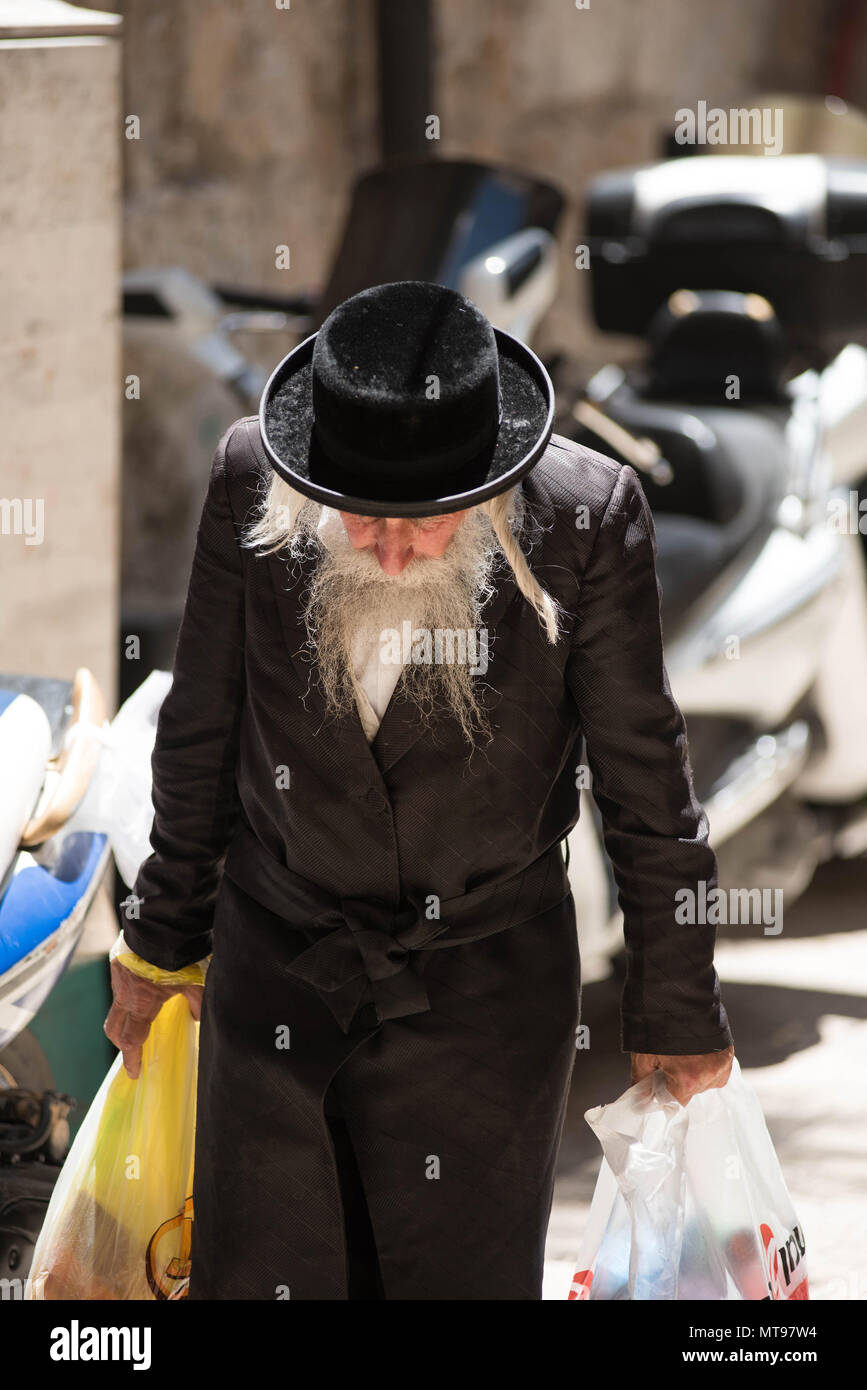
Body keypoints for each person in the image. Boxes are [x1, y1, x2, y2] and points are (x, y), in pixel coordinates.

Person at [104, 280, 733, 1300]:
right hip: (280, 975)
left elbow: (648, 782)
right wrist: (160, 944)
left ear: (489, 485)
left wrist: (678, 1010)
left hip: (483, 995)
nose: (391, 549)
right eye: (360, 517)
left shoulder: (586, 518)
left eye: (425, 523)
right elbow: (201, 732)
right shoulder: (246, 482)